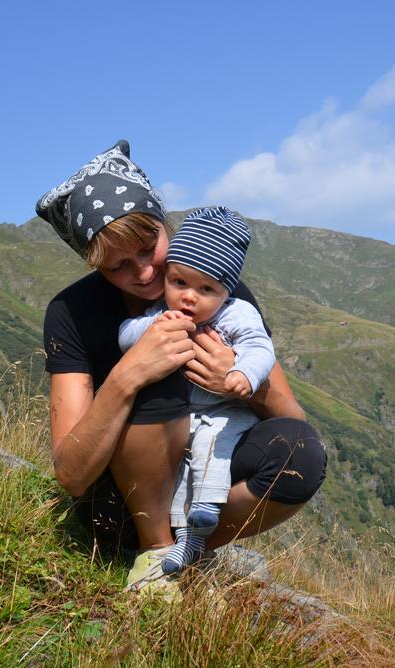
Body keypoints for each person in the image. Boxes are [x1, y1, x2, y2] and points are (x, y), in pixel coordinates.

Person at [36, 140, 327, 593]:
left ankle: (187, 550)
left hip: (199, 487)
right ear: (95, 266)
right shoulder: (71, 313)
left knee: (300, 454)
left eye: (150, 246)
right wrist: (128, 375)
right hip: (114, 511)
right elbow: (72, 475)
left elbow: (293, 421)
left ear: (164, 223)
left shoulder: (213, 288)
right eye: (118, 266)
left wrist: (233, 380)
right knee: (159, 368)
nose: (145, 272)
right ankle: (153, 555)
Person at [118, 206, 273, 574]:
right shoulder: (162, 311)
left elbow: (259, 346)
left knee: (211, 447)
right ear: (168, 276)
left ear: (225, 291)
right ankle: (185, 541)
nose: (189, 297)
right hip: (187, 413)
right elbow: (125, 334)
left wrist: (245, 376)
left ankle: (206, 509)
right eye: (179, 283)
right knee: (183, 464)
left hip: (226, 409)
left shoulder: (237, 314)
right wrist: (155, 328)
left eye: (206, 289)